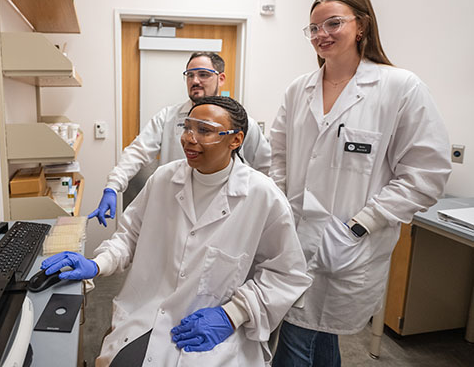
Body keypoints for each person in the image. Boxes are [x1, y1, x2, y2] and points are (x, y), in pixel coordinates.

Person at [42, 96, 311, 366]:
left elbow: (287, 275)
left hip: (218, 333)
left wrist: (232, 314)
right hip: (147, 313)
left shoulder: (263, 196)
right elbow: (128, 237)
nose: (189, 138)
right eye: (187, 127)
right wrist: (97, 263)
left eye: (204, 130)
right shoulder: (163, 179)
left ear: (236, 140)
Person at [270, 0, 452, 366]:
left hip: (353, 243)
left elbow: (426, 173)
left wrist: (360, 224)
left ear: (362, 26)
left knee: (299, 339)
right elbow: (279, 155)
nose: (322, 34)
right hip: (294, 237)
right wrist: (281, 208)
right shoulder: (297, 90)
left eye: (333, 23)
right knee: (312, 334)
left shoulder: (399, 87)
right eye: (314, 27)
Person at [88, 52, 272, 226]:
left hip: (226, 212)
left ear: (221, 78)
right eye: (190, 75)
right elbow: (137, 152)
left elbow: (264, 169)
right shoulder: (167, 117)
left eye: (203, 74)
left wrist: (259, 207)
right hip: (175, 207)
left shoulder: (242, 123)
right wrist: (113, 185)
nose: (195, 81)